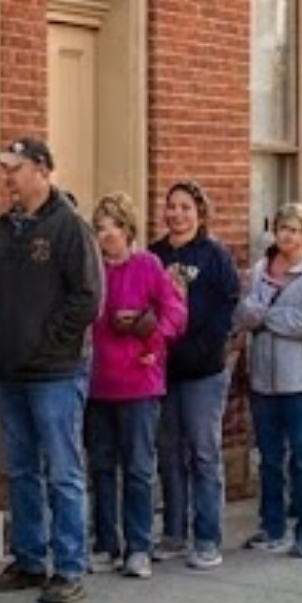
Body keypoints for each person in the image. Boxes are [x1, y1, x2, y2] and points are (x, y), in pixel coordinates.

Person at [0, 136, 103, 603]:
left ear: (43, 170)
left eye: (16, 168)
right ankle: (30, 559)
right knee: (22, 469)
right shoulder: (3, 230)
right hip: (11, 371)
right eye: (4, 169)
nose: (7, 177)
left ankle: (69, 566)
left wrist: (48, 343)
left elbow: (87, 298)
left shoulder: (70, 227)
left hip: (56, 372)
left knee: (64, 470)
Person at [86, 192, 186, 579]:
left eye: (112, 225)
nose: (105, 233)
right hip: (97, 381)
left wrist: (153, 335)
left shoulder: (148, 265)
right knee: (101, 467)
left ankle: (139, 546)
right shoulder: (91, 268)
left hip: (140, 382)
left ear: (128, 229)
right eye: (99, 226)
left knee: (139, 468)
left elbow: (176, 312)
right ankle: (106, 543)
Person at [149, 178, 241, 570]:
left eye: (185, 207)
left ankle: (207, 537)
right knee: (168, 453)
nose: (177, 214)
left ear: (199, 214)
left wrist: (202, 348)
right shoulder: (153, 256)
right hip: (161, 371)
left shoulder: (214, 256)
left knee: (204, 453)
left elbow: (227, 307)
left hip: (204, 371)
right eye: (172, 206)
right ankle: (174, 532)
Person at [238, 201, 302, 559]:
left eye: (294, 230)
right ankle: (272, 525)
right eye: (282, 228)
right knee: (269, 458)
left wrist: (266, 317)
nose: (286, 236)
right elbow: (243, 311)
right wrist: (263, 316)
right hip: (264, 380)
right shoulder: (261, 269)